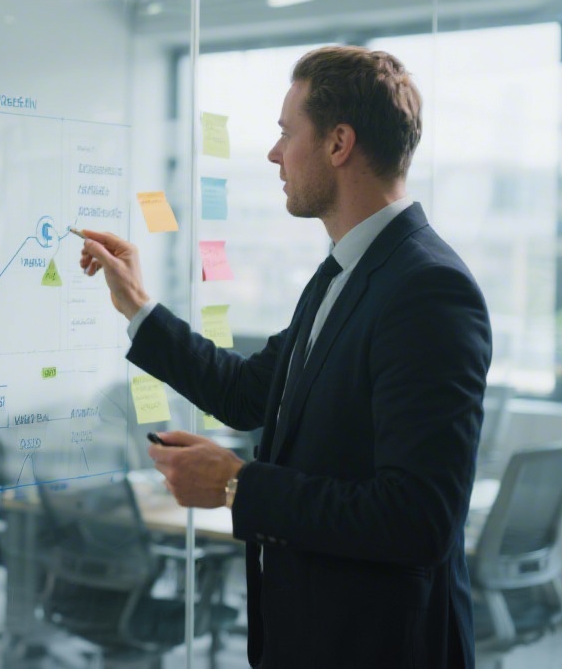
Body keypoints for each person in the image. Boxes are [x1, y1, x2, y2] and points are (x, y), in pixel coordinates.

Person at [80, 46, 492, 667]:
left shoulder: (428, 289)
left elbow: (417, 518)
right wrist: (138, 305)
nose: (274, 154)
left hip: (378, 646)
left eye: (284, 133)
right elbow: (248, 393)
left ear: (339, 144)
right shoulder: (343, 272)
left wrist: (237, 485)